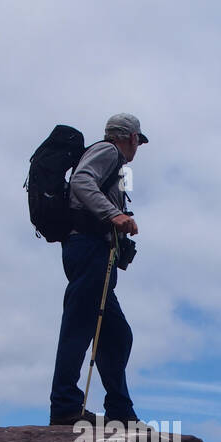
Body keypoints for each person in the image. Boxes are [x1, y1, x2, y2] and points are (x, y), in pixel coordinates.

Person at [48, 113, 147, 426]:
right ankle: (65, 406)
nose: (137, 148)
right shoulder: (109, 152)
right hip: (88, 250)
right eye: (138, 141)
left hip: (96, 254)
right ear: (131, 137)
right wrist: (113, 216)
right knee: (79, 324)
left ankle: (120, 411)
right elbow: (81, 181)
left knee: (116, 336)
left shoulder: (110, 159)